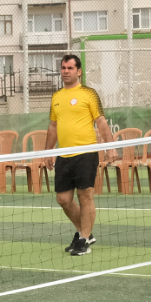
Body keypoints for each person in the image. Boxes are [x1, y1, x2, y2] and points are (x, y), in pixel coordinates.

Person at [44, 54, 116, 256]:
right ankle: (85, 232)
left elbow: (101, 122)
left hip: (86, 153)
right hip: (63, 155)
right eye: (63, 68)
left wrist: (111, 147)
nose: (65, 71)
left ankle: (83, 240)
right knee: (63, 199)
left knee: (85, 196)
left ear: (79, 71)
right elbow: (53, 126)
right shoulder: (56, 97)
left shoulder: (89, 94)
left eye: (70, 68)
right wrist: (48, 152)